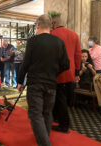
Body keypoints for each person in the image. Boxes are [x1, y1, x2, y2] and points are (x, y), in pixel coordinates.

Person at [17, 15, 69, 146]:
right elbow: (66, 64)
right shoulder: (59, 42)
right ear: (50, 26)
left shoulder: (33, 41)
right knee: (47, 113)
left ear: (38, 25)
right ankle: (44, 138)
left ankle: (44, 143)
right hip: (52, 83)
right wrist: (53, 73)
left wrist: (19, 81)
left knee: (36, 115)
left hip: (35, 83)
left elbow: (26, 63)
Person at [50, 12, 82, 133]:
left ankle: (64, 125)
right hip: (70, 71)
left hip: (57, 72)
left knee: (59, 98)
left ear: (53, 23)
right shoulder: (74, 34)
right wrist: (77, 71)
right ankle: (57, 119)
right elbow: (78, 55)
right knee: (64, 97)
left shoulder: (51, 34)